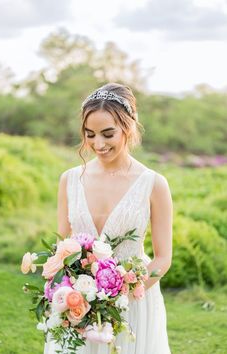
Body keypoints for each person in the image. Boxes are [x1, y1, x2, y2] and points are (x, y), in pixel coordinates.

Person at [44, 82, 173, 354]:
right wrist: (70, 293)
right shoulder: (69, 180)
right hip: (78, 304)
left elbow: (163, 259)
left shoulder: (154, 184)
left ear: (129, 127)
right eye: (89, 135)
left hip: (133, 305)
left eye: (108, 134)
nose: (97, 144)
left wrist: (117, 299)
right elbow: (63, 246)